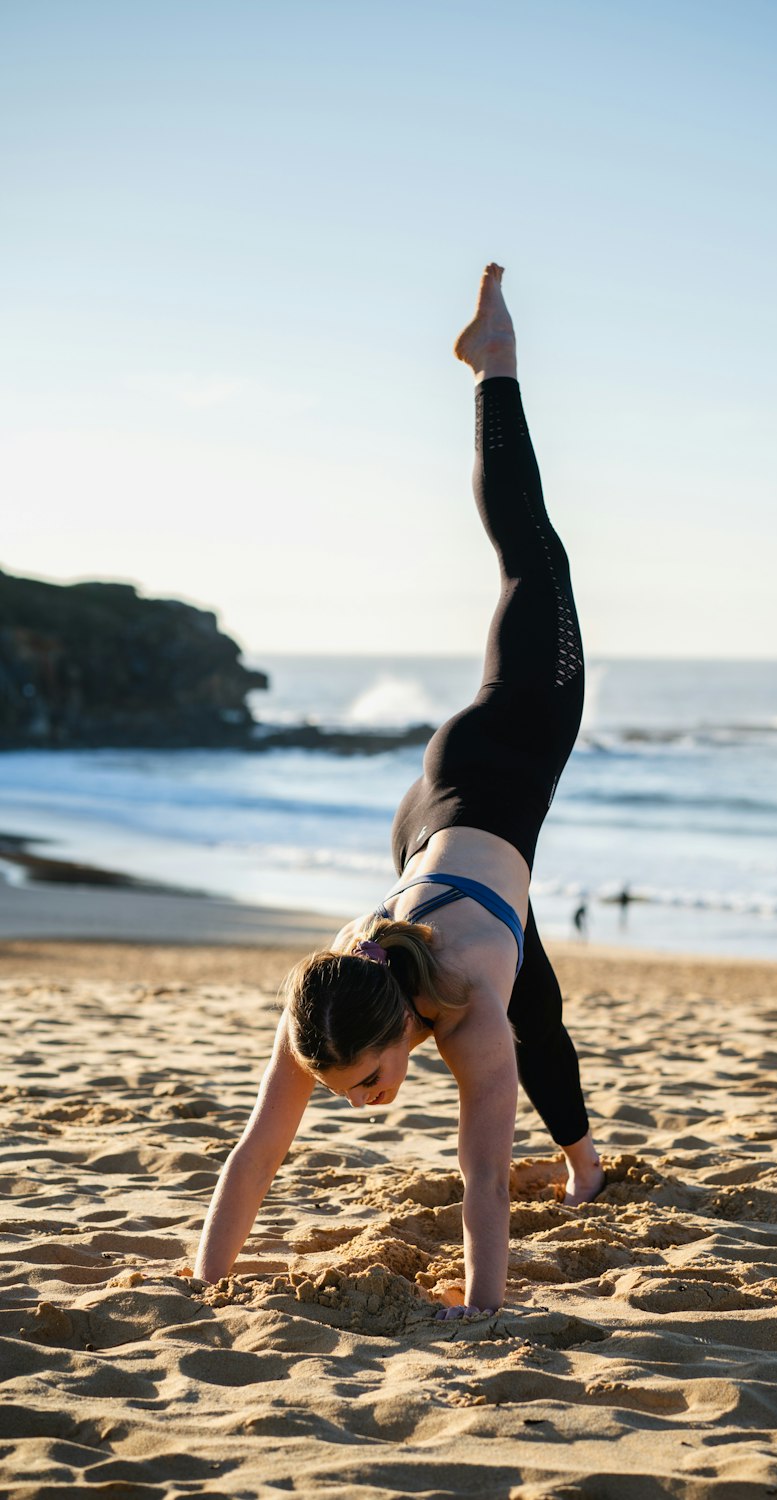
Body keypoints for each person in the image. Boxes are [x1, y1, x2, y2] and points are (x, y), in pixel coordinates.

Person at [194, 265, 603, 1319]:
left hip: (504, 751)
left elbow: (477, 1181)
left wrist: (483, 1308)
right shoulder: (328, 1010)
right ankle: (589, 1165)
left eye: (368, 1085)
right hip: (423, 827)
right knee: (541, 997)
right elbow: (257, 1149)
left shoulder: (463, 1010)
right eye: (356, 1093)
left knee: (533, 561)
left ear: (397, 1033)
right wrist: (207, 1281)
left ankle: (494, 361)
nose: (366, 1104)